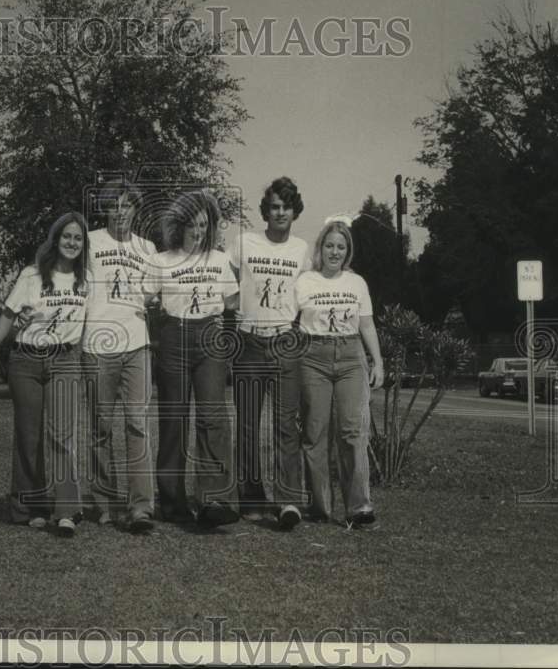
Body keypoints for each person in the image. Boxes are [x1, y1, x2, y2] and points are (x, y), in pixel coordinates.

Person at [0, 212, 91, 538]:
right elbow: (8, 314)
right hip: (25, 361)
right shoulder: (31, 275)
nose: (71, 242)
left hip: (65, 358)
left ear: (84, 244)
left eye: (78, 238)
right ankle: (28, 507)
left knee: (61, 435)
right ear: (56, 239)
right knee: (28, 438)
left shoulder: (87, 280)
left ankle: (66, 511)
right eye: (66, 236)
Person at [143, 189, 240, 527]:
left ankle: (215, 500)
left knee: (213, 417)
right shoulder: (162, 260)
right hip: (174, 336)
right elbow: (139, 298)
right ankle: (173, 503)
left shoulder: (218, 259)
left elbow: (234, 303)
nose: (198, 232)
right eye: (193, 225)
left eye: (204, 225)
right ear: (179, 225)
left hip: (210, 336)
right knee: (174, 420)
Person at [228, 177, 310, 528]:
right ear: (266, 210)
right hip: (249, 342)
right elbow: (224, 280)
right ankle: (251, 499)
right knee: (247, 425)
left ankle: (288, 500)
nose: (280, 212)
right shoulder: (245, 242)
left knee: (286, 426)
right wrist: (233, 307)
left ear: (295, 212)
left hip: (284, 342)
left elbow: (310, 292)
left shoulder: (302, 250)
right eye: (274, 206)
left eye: (286, 207)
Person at [295, 216, 384, 529]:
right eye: (330, 245)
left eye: (341, 247)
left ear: (348, 251)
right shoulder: (305, 281)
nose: (335, 252)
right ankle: (319, 506)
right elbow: (285, 317)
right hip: (313, 356)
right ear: (321, 247)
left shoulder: (356, 282)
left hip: (350, 357)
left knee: (351, 431)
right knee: (314, 432)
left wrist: (378, 361)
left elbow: (367, 324)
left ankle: (359, 506)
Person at [81, 179, 157, 533]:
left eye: (127, 205)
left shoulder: (148, 247)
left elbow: (154, 293)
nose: (121, 212)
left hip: (137, 345)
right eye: (114, 205)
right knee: (100, 428)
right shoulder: (91, 242)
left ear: (135, 209)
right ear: (105, 210)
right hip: (97, 346)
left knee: (138, 425)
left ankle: (141, 507)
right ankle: (104, 502)